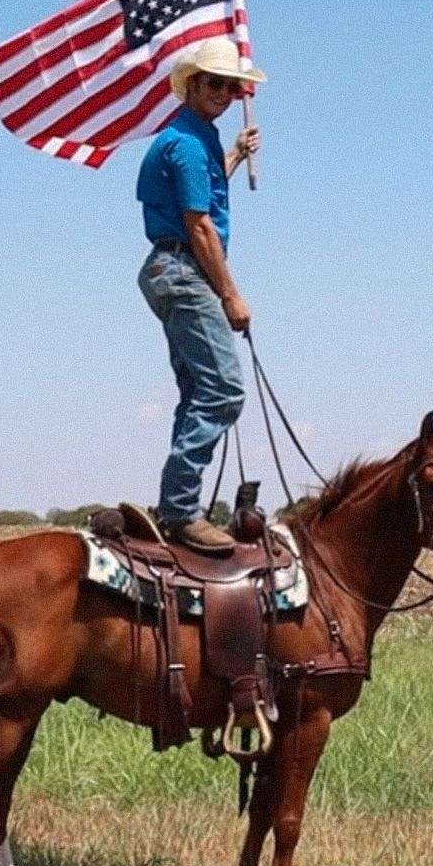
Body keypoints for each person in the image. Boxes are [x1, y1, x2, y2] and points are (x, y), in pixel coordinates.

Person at [136, 37, 267, 553]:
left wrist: (233, 154)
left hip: (168, 270)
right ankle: (182, 510)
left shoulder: (196, 139)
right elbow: (200, 226)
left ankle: (177, 505)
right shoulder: (189, 144)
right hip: (186, 269)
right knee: (224, 390)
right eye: (214, 82)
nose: (225, 93)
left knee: (198, 391)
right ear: (191, 84)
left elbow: (202, 194)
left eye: (232, 86)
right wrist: (231, 295)